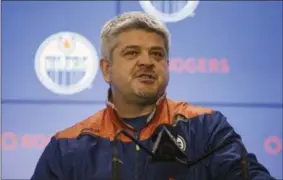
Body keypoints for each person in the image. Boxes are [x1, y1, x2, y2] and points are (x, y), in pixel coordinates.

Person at [31, 11, 276, 180]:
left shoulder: (206, 127)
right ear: (107, 69)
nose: (147, 62)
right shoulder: (67, 146)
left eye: (157, 54)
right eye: (132, 53)